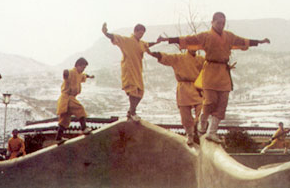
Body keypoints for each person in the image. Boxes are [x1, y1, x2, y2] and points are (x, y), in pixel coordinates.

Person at [157, 12, 270, 143]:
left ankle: (212, 132)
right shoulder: (205, 36)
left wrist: (259, 42)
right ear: (212, 22)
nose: (221, 25)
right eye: (218, 23)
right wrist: (168, 39)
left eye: (223, 23)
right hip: (210, 71)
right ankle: (203, 120)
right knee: (210, 101)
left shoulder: (229, 36)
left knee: (223, 103)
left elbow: (243, 41)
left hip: (223, 71)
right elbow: (188, 39)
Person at [101, 23, 160, 121]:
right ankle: (133, 112)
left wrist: (157, 42)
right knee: (132, 90)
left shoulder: (141, 43)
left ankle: (131, 111)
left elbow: (147, 44)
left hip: (137, 70)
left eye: (143, 34)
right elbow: (116, 37)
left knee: (140, 92)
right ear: (135, 31)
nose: (141, 35)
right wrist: (106, 33)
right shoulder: (127, 41)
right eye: (140, 33)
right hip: (128, 69)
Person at [148, 49, 204, 145]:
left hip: (197, 88)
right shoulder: (179, 58)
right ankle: (190, 134)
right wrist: (156, 54)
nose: (194, 48)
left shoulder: (201, 59)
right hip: (184, 88)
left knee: (202, 111)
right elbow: (167, 57)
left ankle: (201, 133)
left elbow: (212, 66)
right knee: (185, 114)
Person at [55, 57, 94, 141]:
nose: (83, 69)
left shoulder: (80, 74)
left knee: (64, 120)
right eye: (82, 67)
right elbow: (66, 74)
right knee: (80, 108)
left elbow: (84, 76)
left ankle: (58, 137)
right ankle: (84, 128)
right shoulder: (72, 72)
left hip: (67, 99)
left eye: (84, 68)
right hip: (68, 97)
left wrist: (89, 76)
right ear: (77, 65)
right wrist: (65, 73)